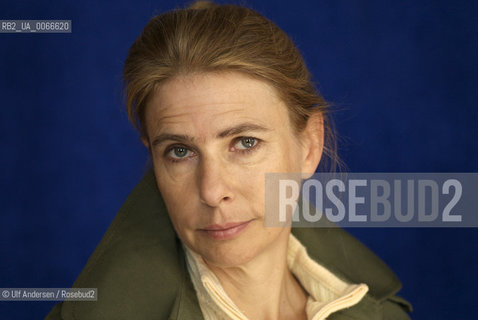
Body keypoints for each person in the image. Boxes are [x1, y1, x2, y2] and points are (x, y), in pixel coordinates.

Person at [46, 1, 412, 319]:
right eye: (179, 151)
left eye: (245, 142)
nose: (212, 190)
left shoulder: (379, 312)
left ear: (309, 145)